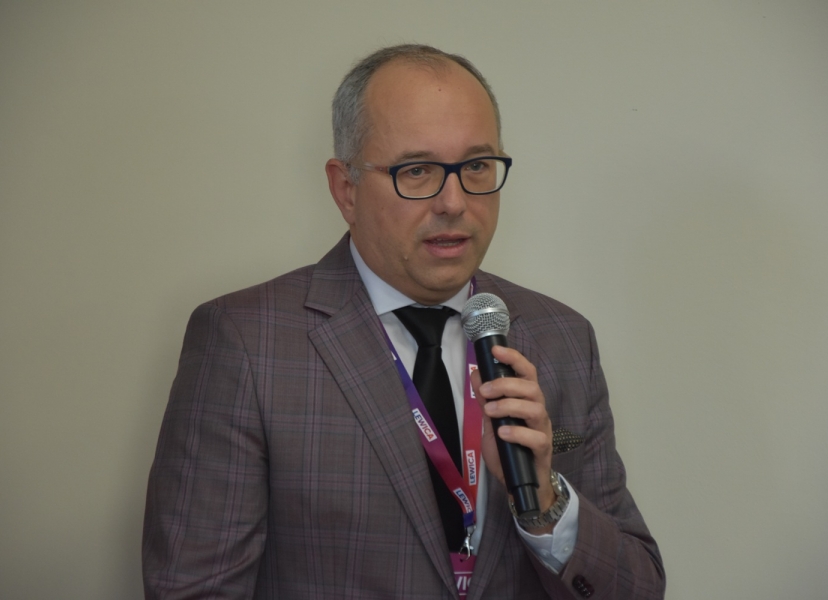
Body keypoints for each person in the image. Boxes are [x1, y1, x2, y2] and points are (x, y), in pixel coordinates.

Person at [143, 44, 665, 599]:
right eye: (417, 171)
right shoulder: (246, 342)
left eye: (476, 166)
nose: (454, 202)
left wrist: (544, 501)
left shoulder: (562, 338)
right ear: (345, 189)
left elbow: (637, 590)